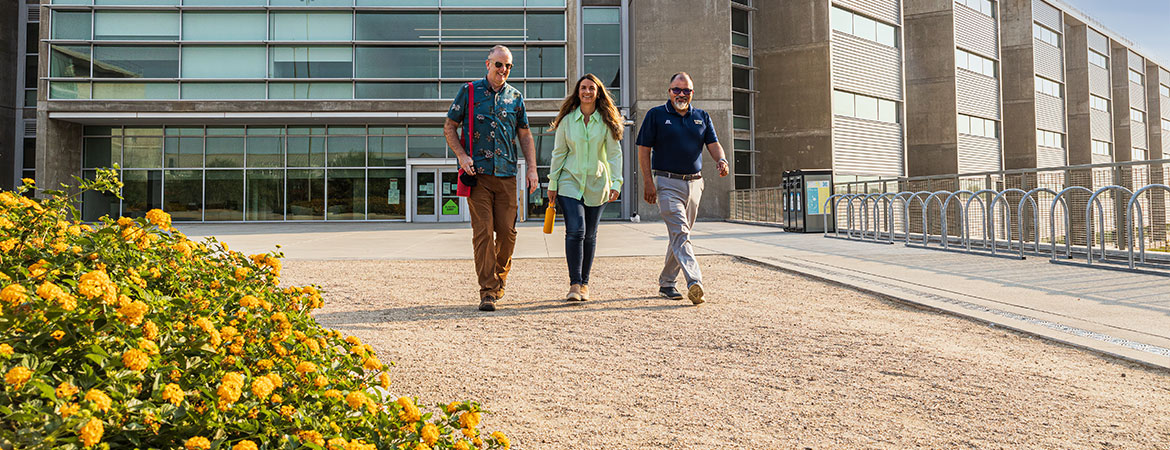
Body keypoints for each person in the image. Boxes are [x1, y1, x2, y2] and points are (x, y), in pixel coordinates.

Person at [444, 45, 539, 312]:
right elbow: (449, 126)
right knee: (483, 233)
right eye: (499, 64)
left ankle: (499, 280)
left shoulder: (516, 97)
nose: (503, 70)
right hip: (479, 176)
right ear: (488, 64)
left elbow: (525, 135)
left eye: (508, 66)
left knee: (507, 235)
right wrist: (462, 156)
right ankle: (487, 290)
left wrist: (532, 168)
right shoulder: (469, 91)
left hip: (507, 175)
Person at [635, 72, 729, 305]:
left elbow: (713, 143)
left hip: (695, 183)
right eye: (677, 89)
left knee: (679, 237)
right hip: (667, 183)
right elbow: (644, 150)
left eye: (686, 90)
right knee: (681, 234)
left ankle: (666, 284)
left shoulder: (701, 116)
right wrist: (648, 182)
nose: (681, 94)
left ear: (692, 93)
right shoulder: (656, 115)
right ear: (669, 91)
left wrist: (722, 160)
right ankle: (694, 281)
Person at [547, 74, 624, 302]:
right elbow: (559, 153)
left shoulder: (606, 121)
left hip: (597, 185)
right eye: (583, 88)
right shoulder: (567, 121)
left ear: (598, 92)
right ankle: (574, 284)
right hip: (569, 183)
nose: (587, 92)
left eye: (591, 88)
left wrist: (616, 182)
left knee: (590, 235)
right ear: (577, 92)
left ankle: (585, 284)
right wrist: (553, 182)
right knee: (576, 230)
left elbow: (614, 155)